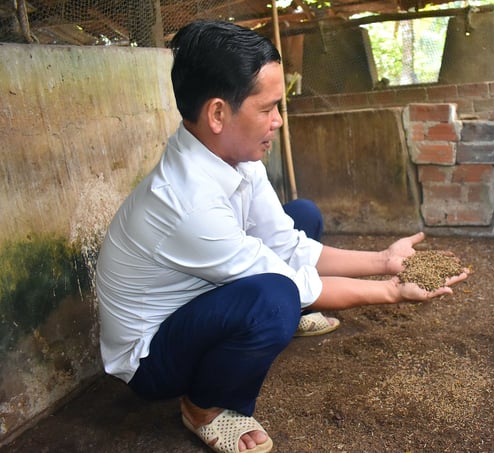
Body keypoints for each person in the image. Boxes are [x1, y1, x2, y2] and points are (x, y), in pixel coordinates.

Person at [95, 20, 468, 453]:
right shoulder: (186, 202)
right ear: (218, 113)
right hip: (153, 357)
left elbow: (287, 245)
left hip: (199, 303)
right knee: (276, 299)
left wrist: (383, 261)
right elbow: (290, 282)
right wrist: (390, 291)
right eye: (268, 108)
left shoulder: (236, 158)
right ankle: (204, 407)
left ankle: (282, 320)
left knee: (302, 216)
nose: (279, 122)